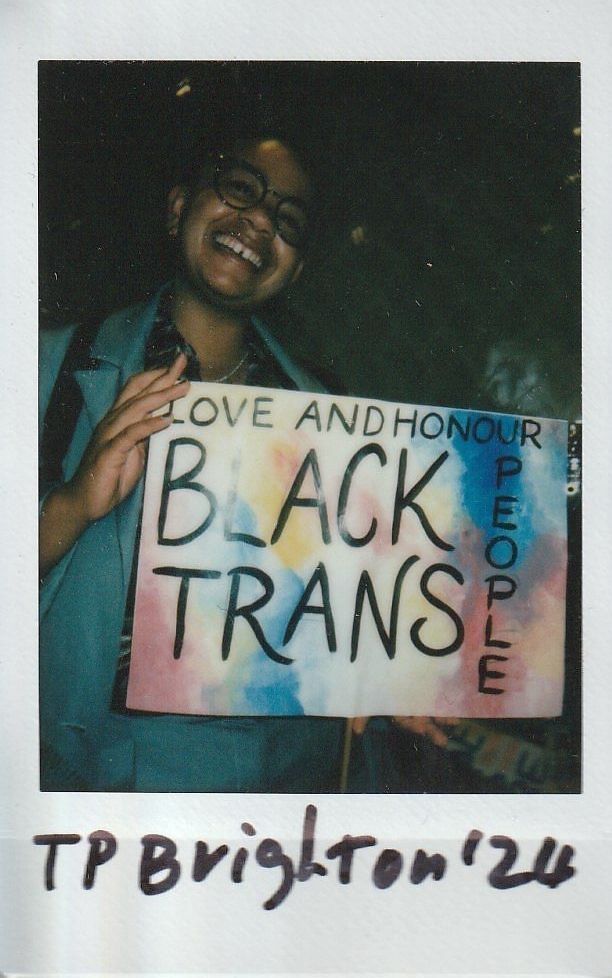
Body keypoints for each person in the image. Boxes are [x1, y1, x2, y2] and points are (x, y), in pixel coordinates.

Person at [39, 134, 456, 792]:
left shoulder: (333, 421)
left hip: (274, 793)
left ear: (293, 267)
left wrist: (386, 672)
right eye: (240, 188)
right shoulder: (46, 370)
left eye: (287, 218)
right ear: (179, 207)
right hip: (93, 787)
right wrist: (70, 505)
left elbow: (342, 620)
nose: (260, 220)